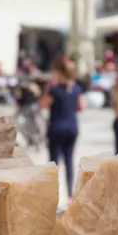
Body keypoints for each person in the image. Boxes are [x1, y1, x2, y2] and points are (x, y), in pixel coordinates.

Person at [40, 58, 86, 198]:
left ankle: (51, 196)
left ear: (59, 73)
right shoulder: (77, 89)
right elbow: (82, 107)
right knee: (69, 161)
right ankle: (70, 196)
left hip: (56, 128)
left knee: (54, 163)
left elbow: (42, 105)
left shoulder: (54, 90)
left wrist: (47, 89)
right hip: (72, 127)